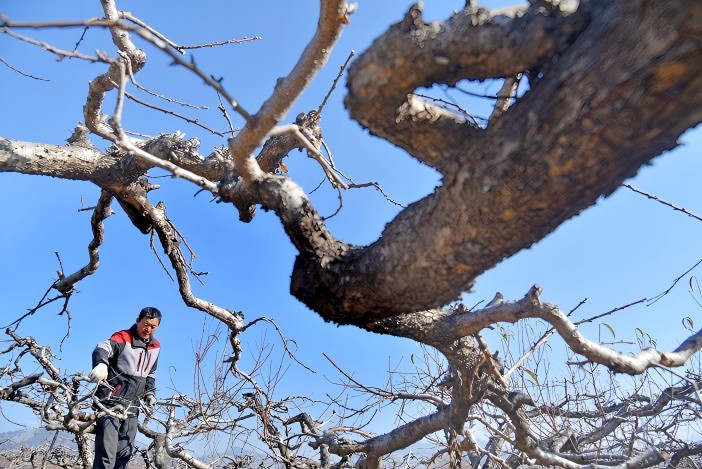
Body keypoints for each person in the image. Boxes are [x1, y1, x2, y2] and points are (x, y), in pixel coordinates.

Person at [88, 307, 162, 469]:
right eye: (145, 324)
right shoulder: (123, 337)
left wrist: (149, 393)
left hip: (133, 406)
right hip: (110, 402)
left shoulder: (155, 346)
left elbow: (151, 374)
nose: (148, 329)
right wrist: (101, 365)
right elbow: (102, 348)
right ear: (137, 321)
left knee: (124, 454)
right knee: (106, 456)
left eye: (153, 326)